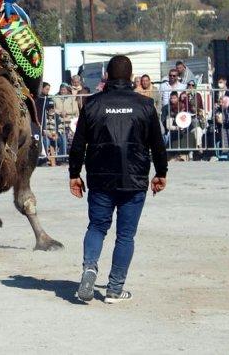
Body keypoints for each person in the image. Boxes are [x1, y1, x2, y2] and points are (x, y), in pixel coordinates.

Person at [69, 55, 168, 304]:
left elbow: (78, 144)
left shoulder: (92, 104)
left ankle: (90, 268)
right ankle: (114, 288)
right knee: (125, 236)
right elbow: (157, 144)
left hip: (100, 178)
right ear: (132, 77)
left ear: (107, 77)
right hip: (134, 178)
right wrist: (161, 173)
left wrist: (74, 174)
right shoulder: (145, 105)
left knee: (97, 227)